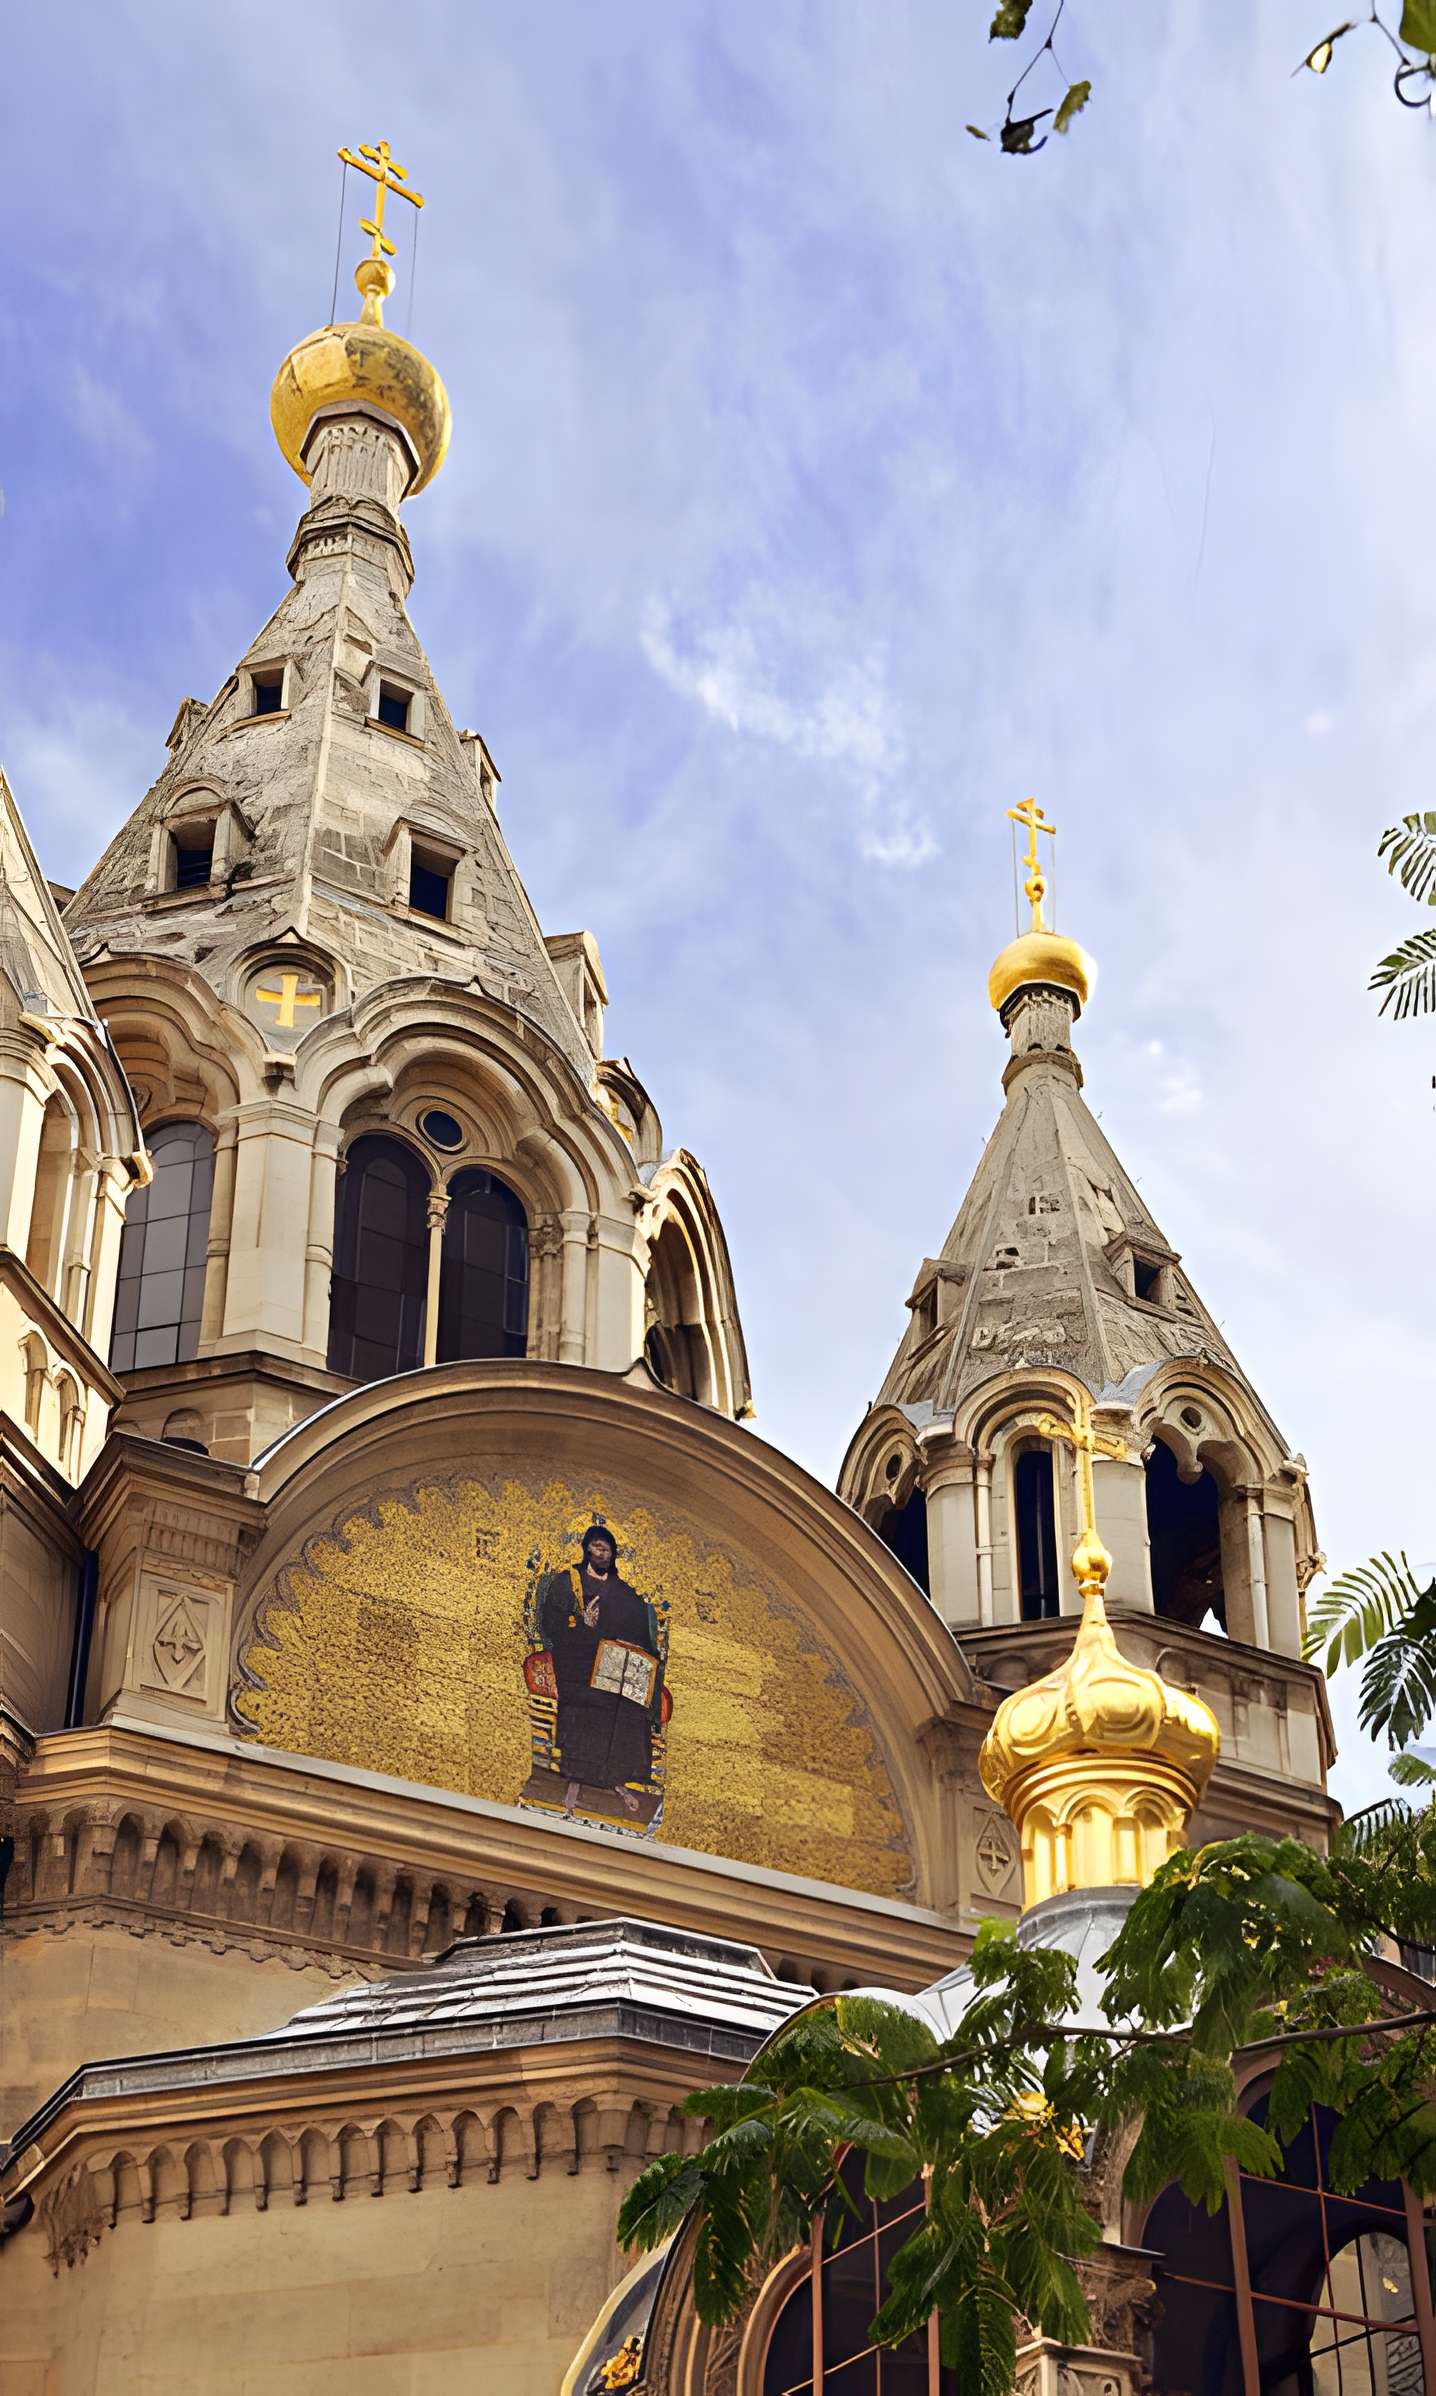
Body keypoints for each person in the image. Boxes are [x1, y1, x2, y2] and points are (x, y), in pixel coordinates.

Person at [538, 1525, 664, 1815]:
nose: (602, 1553)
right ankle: (577, 1777)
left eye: (607, 1549)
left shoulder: (623, 1592)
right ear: (586, 1549)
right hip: (577, 1660)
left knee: (630, 1701)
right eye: (597, 1547)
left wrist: (635, 1649)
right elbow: (552, 1624)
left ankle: (616, 1776)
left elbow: (639, 1632)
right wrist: (583, 1625)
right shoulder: (568, 1582)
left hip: (614, 1664)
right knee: (591, 1699)